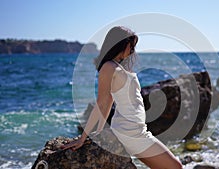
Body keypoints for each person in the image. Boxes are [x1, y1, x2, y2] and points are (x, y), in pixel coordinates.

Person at [61, 26, 183, 169]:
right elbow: (102, 103)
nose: (132, 50)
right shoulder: (108, 67)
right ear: (120, 44)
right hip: (130, 133)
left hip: (136, 130)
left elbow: (110, 101)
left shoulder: (120, 66)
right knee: (176, 167)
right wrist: (84, 138)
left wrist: (100, 131)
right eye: (131, 46)